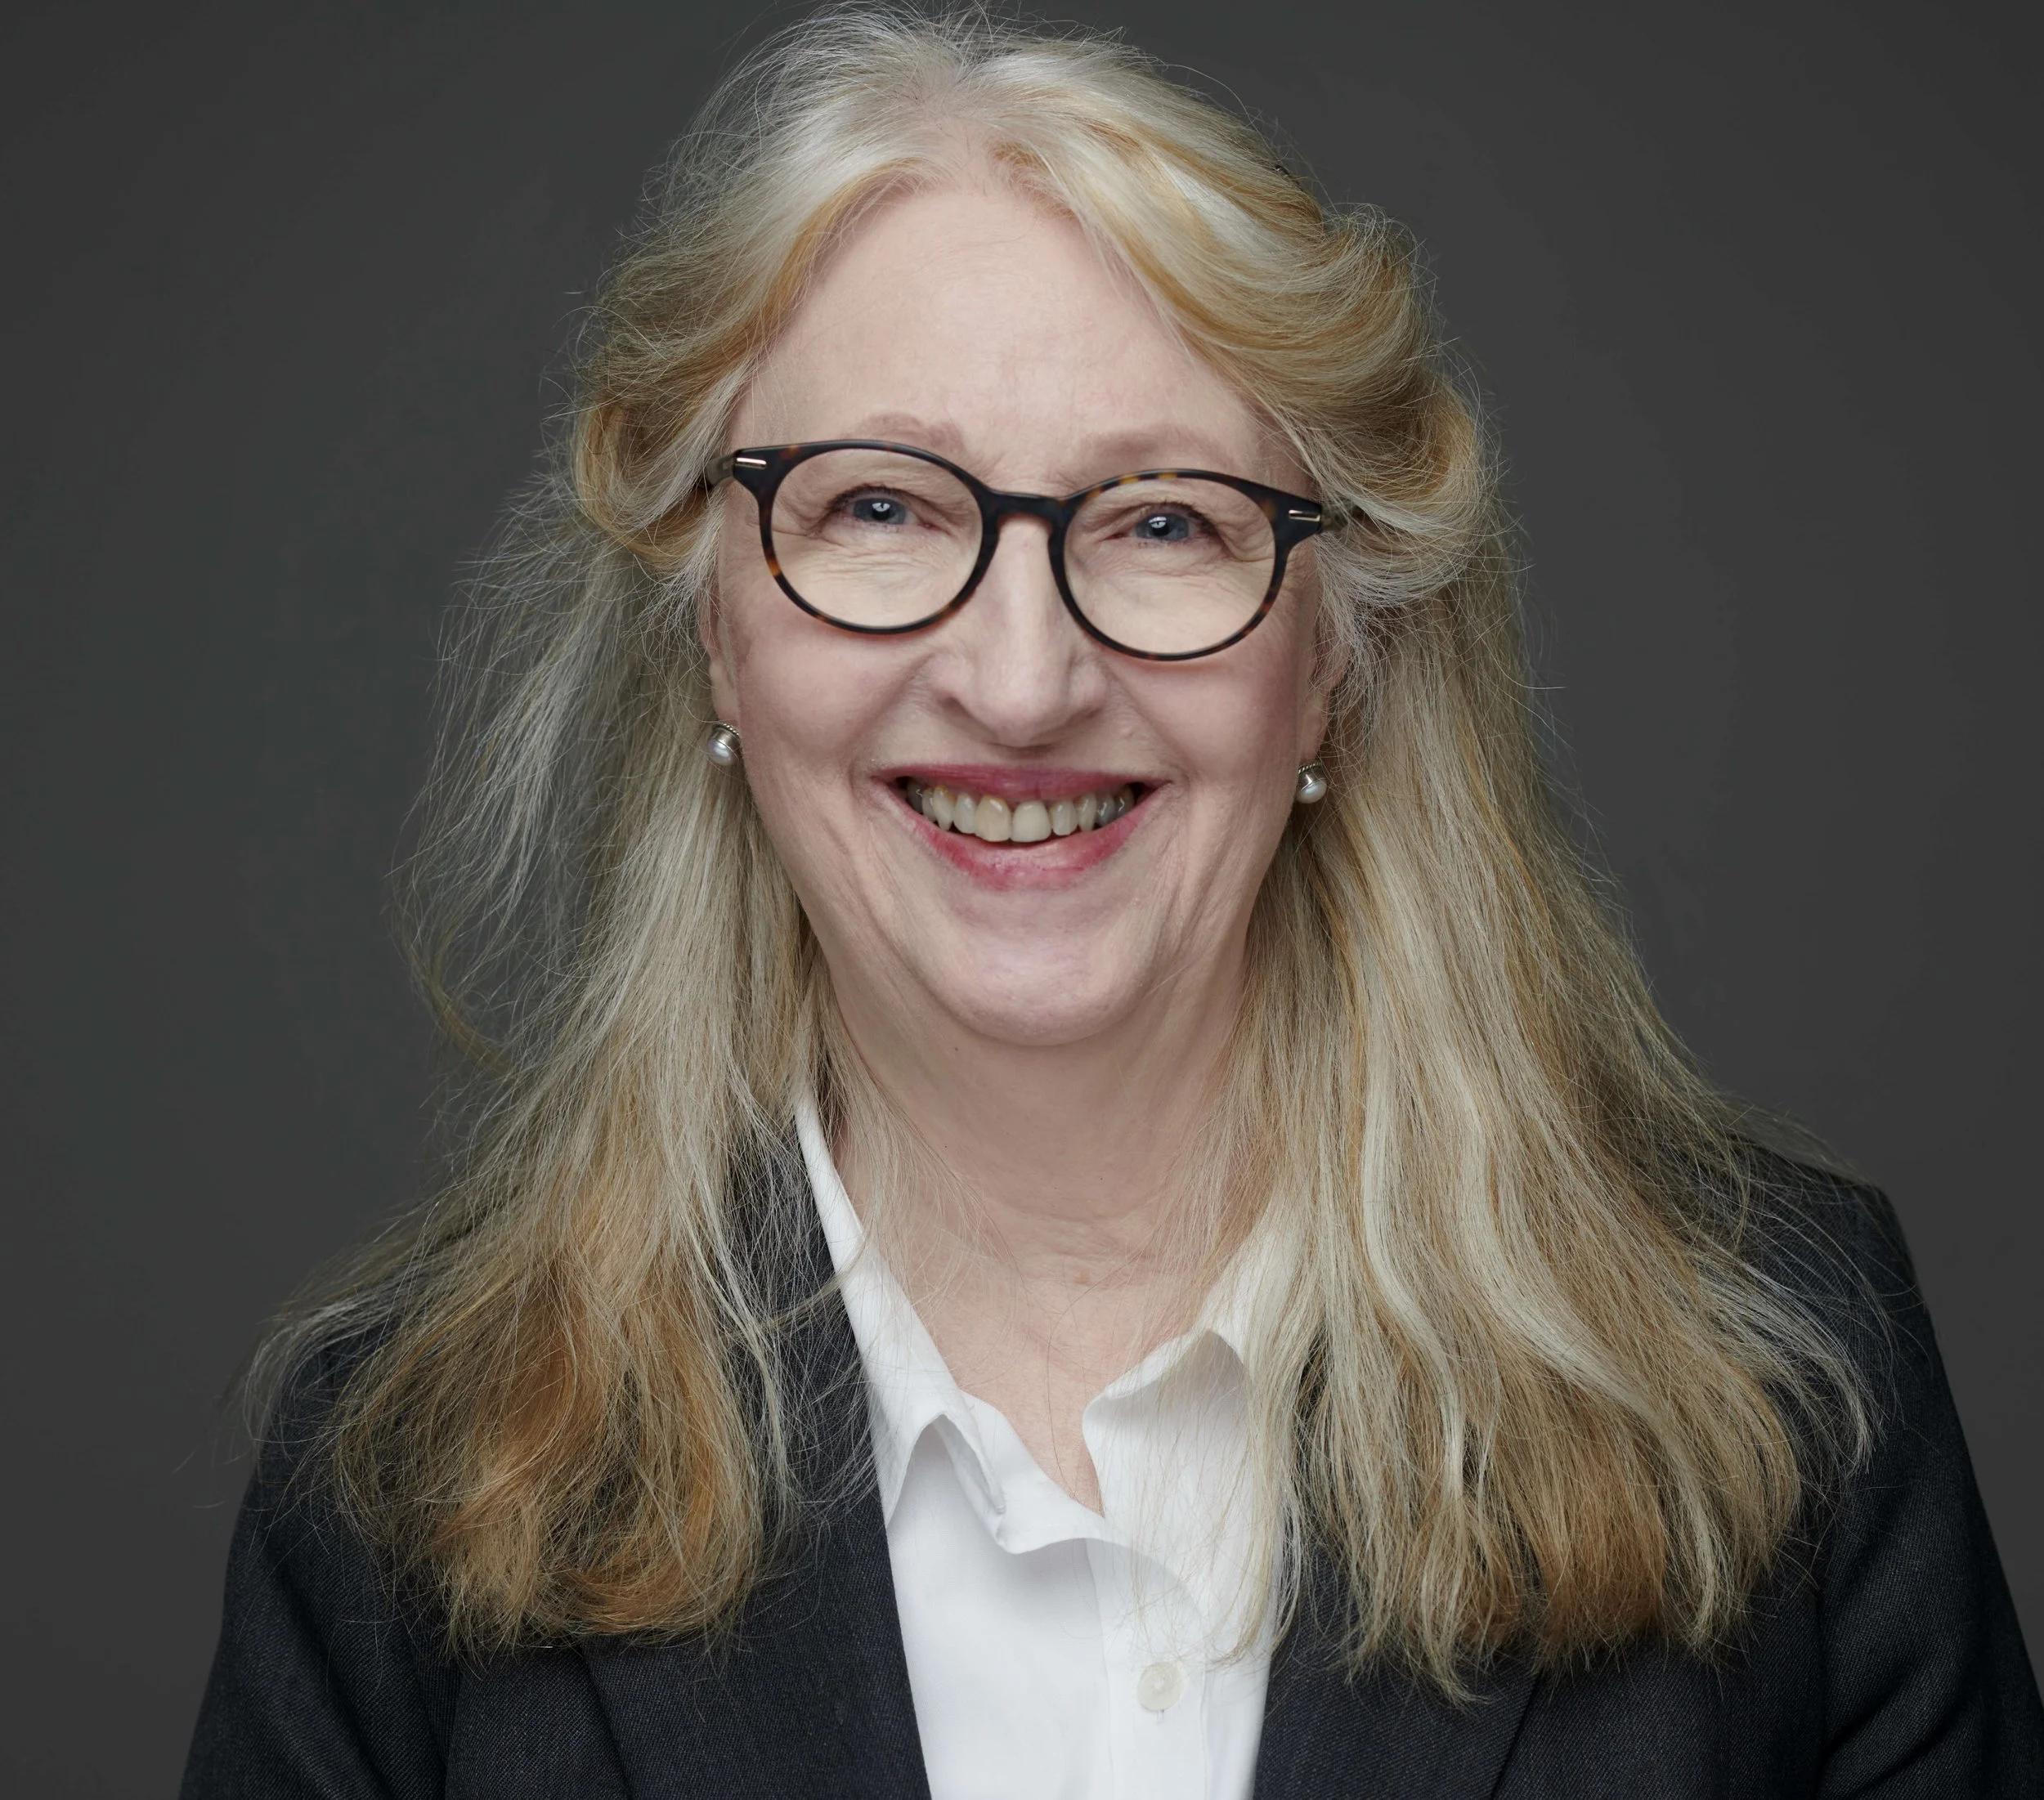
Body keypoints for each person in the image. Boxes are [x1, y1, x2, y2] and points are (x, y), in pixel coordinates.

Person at [182, 8, 2042, 1796]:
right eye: (877, 509)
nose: (1019, 678)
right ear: (716, 643)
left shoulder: (1785, 1382)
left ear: (1331, 657)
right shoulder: (398, 1481)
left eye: (1161, 522)